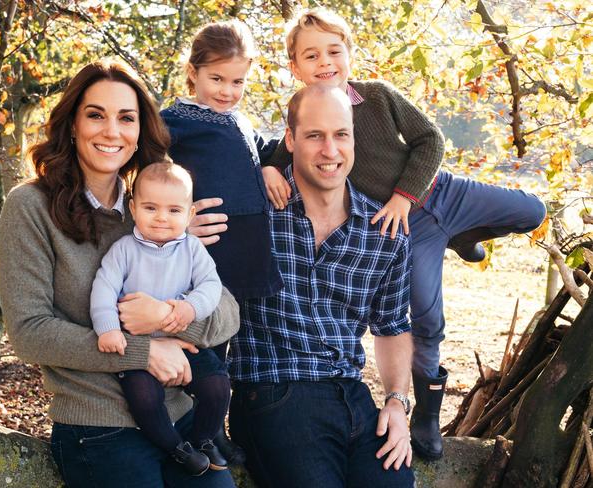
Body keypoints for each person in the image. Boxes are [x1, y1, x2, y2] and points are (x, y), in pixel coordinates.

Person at [260, 8, 547, 461]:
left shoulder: (377, 96)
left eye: (334, 51)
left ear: (349, 53)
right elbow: (283, 154)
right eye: (311, 56)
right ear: (295, 67)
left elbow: (430, 139)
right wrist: (266, 170)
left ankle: (466, 234)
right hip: (409, 232)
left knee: (533, 210)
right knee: (426, 319)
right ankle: (427, 418)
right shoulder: (305, 120)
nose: (325, 62)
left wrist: (403, 195)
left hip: (441, 194)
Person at [0, 60, 238, 488]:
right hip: (100, 427)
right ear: (72, 124)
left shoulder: (155, 209)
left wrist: (169, 316)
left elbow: (227, 309)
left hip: (180, 414)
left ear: (140, 130)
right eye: (96, 115)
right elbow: (29, 332)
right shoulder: (30, 207)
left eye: (126, 118)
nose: (112, 131)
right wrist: (144, 352)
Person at [227, 85, 415, 488]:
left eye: (340, 135)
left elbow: (392, 326)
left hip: (353, 397)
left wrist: (398, 403)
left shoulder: (384, 233)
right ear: (290, 140)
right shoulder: (253, 216)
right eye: (315, 136)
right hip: (274, 391)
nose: (330, 150)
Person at [160, 19, 283, 463]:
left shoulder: (240, 119)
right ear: (193, 72)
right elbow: (147, 174)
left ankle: (217, 426)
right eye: (217, 79)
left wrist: (269, 165)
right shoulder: (174, 121)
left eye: (238, 81)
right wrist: (175, 220)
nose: (228, 90)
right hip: (209, 249)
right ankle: (200, 427)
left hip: (247, 248)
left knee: (228, 340)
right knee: (204, 340)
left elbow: (263, 148)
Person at [90, 161, 230, 475]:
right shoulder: (123, 250)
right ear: (133, 207)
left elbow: (211, 286)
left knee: (217, 386)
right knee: (144, 398)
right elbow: (103, 288)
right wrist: (109, 329)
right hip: (138, 348)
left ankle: (203, 439)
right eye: (150, 207)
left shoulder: (193, 249)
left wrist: (189, 308)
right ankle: (175, 449)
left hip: (181, 343)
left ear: (190, 214)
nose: (162, 218)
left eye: (174, 210)